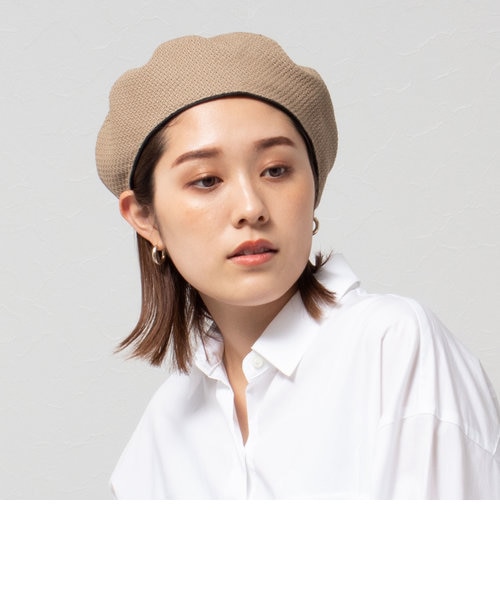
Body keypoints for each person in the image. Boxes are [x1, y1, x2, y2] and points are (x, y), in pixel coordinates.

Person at [96, 32, 500, 499]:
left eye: (276, 170)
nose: (251, 207)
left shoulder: (391, 347)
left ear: (313, 187)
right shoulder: (161, 433)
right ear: (145, 218)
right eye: (206, 180)